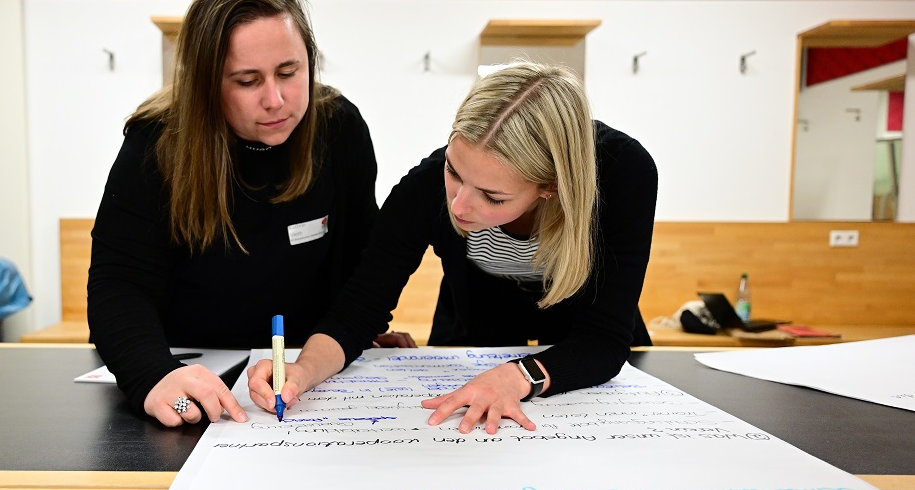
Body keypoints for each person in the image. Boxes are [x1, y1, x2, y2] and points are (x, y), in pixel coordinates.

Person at [248, 62, 658, 434]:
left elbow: (603, 340)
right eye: (454, 171)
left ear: (550, 188)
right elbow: (356, 313)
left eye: (493, 197)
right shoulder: (424, 187)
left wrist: (517, 377)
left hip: (583, 372)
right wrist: (302, 370)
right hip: (477, 337)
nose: (459, 206)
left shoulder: (623, 174)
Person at [88, 0, 411, 428]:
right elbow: (118, 285)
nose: (276, 100)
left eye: (289, 72)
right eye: (246, 81)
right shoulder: (156, 142)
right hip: (184, 369)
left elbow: (362, 269)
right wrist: (153, 374)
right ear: (206, 85)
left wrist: (348, 336)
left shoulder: (339, 128)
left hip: (300, 377)